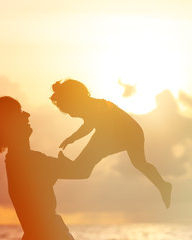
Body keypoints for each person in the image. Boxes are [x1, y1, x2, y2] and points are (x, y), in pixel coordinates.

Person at [0, 96, 92, 240]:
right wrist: (103, 135)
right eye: (19, 112)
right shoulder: (30, 162)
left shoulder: (15, 162)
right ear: (9, 124)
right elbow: (82, 170)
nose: (27, 114)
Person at [50, 79, 172, 208]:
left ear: (75, 100)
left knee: (137, 163)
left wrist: (92, 153)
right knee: (84, 169)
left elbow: (104, 130)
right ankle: (164, 186)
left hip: (128, 134)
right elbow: (88, 126)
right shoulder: (89, 107)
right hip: (123, 134)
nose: (69, 114)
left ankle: (163, 186)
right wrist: (72, 138)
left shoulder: (98, 106)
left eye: (68, 109)